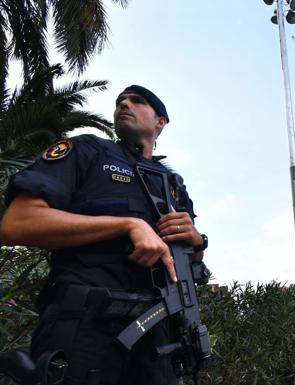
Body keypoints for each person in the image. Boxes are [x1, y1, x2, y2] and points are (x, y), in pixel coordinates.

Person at [0, 85, 209, 385]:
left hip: (160, 338)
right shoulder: (88, 151)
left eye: (136, 101)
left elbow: (190, 258)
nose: (124, 104)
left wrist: (197, 240)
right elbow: (17, 223)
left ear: (160, 121)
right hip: (85, 326)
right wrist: (127, 225)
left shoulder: (173, 185)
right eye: (120, 101)